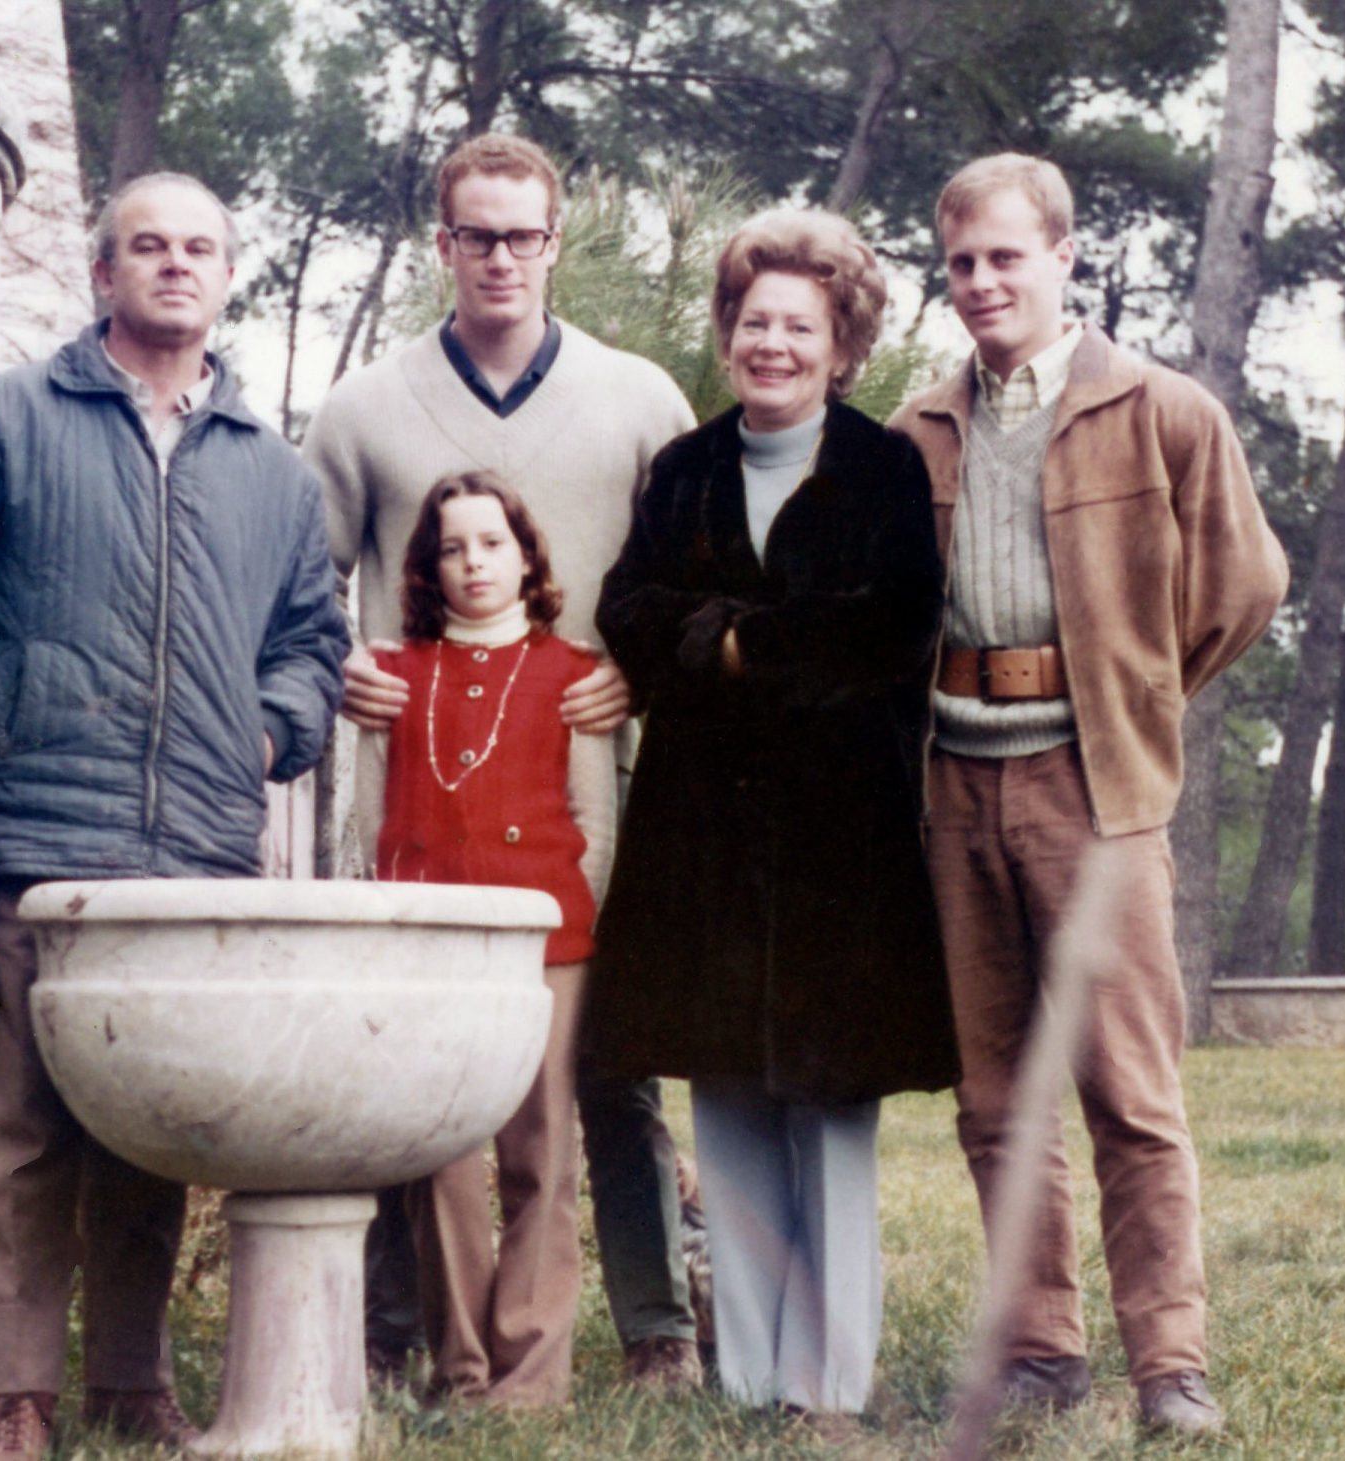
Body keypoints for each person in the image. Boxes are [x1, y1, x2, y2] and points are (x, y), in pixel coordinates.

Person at [0, 172, 348, 1461]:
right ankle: (15, 1399)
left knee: (151, 1124)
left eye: (199, 248)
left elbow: (310, 641)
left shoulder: (276, 474)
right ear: (102, 273)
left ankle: (131, 1384)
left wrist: (264, 729)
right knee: (20, 1131)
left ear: (227, 276)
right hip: (32, 829)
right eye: (148, 246)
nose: (174, 265)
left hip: (191, 854)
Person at [890, 153, 1288, 1436]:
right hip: (953, 783)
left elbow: (1239, 589)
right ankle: (1039, 1351)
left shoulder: (1164, 412)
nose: (981, 283)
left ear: (1065, 255)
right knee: (996, 1098)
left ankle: (1169, 1367)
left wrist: (1126, 692)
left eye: (1006, 256)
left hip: (1092, 787)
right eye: (960, 263)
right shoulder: (917, 429)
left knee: (1127, 1090)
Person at [304, 133, 706, 1389]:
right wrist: (336, 664)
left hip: (594, 786)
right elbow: (294, 585)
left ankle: (654, 1329)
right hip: (424, 788)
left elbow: (700, 580)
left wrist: (645, 667)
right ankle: (398, 1331)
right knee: (414, 1081)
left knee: (609, 1067)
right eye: (475, 235)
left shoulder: (638, 396)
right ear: (442, 245)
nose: (499, 257)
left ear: (554, 240)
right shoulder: (365, 407)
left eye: (522, 234)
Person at [590, 207, 962, 1431]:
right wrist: (730, 639)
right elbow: (628, 608)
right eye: (754, 323)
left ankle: (830, 1385)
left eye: (799, 326)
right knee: (730, 1096)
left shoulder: (881, 467)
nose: (772, 345)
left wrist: (737, 637)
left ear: (841, 342)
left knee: (826, 1107)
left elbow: (891, 624)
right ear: (728, 331)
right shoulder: (686, 469)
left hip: (833, 843)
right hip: (699, 832)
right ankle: (749, 1377)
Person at [375, 471, 613, 1408]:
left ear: (526, 558)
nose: (473, 562)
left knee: (539, 1148)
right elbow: (369, 812)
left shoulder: (576, 674)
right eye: (452, 546)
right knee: (442, 1151)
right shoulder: (396, 675)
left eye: (491, 543)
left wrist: (567, 918)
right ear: (430, 566)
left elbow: (597, 818)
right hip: (427, 939)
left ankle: (530, 1369)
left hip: (544, 942)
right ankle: (462, 1363)